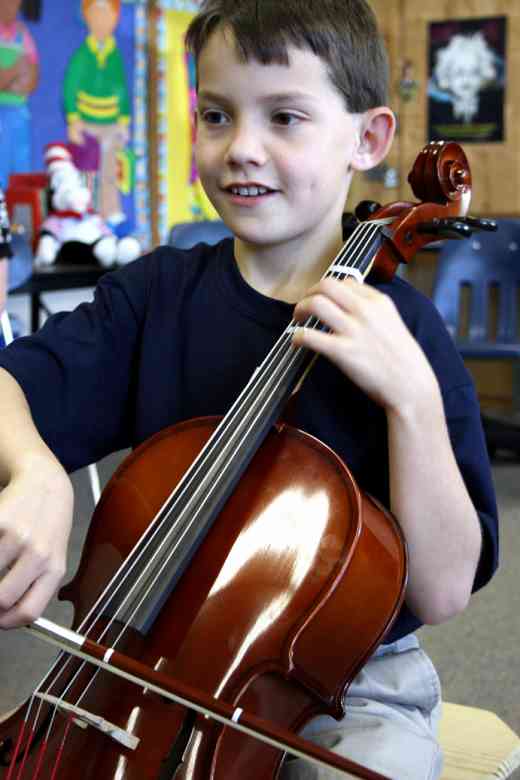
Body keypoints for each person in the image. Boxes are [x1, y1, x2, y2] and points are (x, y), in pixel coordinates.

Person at [0, 1, 498, 778]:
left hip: (346, 685)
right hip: (138, 657)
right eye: (216, 114)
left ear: (366, 140)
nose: (242, 149)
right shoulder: (155, 298)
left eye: (286, 117)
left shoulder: (407, 334)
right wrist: (35, 473)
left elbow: (443, 591)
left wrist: (413, 403)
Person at [63, 0, 130, 224]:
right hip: (87, 124)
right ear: (86, 17)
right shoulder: (82, 55)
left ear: (115, 19)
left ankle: (110, 211)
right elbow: (71, 87)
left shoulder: (115, 55)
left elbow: (122, 89)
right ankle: (86, 212)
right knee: (86, 169)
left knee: (110, 168)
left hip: (110, 124)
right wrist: (74, 121)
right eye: (96, 15)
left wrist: (123, 122)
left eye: (107, 16)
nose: (102, 22)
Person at [0, 0, 39, 189]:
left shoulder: (22, 35)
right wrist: (14, 71)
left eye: (14, 3)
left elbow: (31, 76)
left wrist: (16, 81)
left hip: (19, 113)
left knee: (20, 167)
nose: (9, 7)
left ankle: (19, 215)